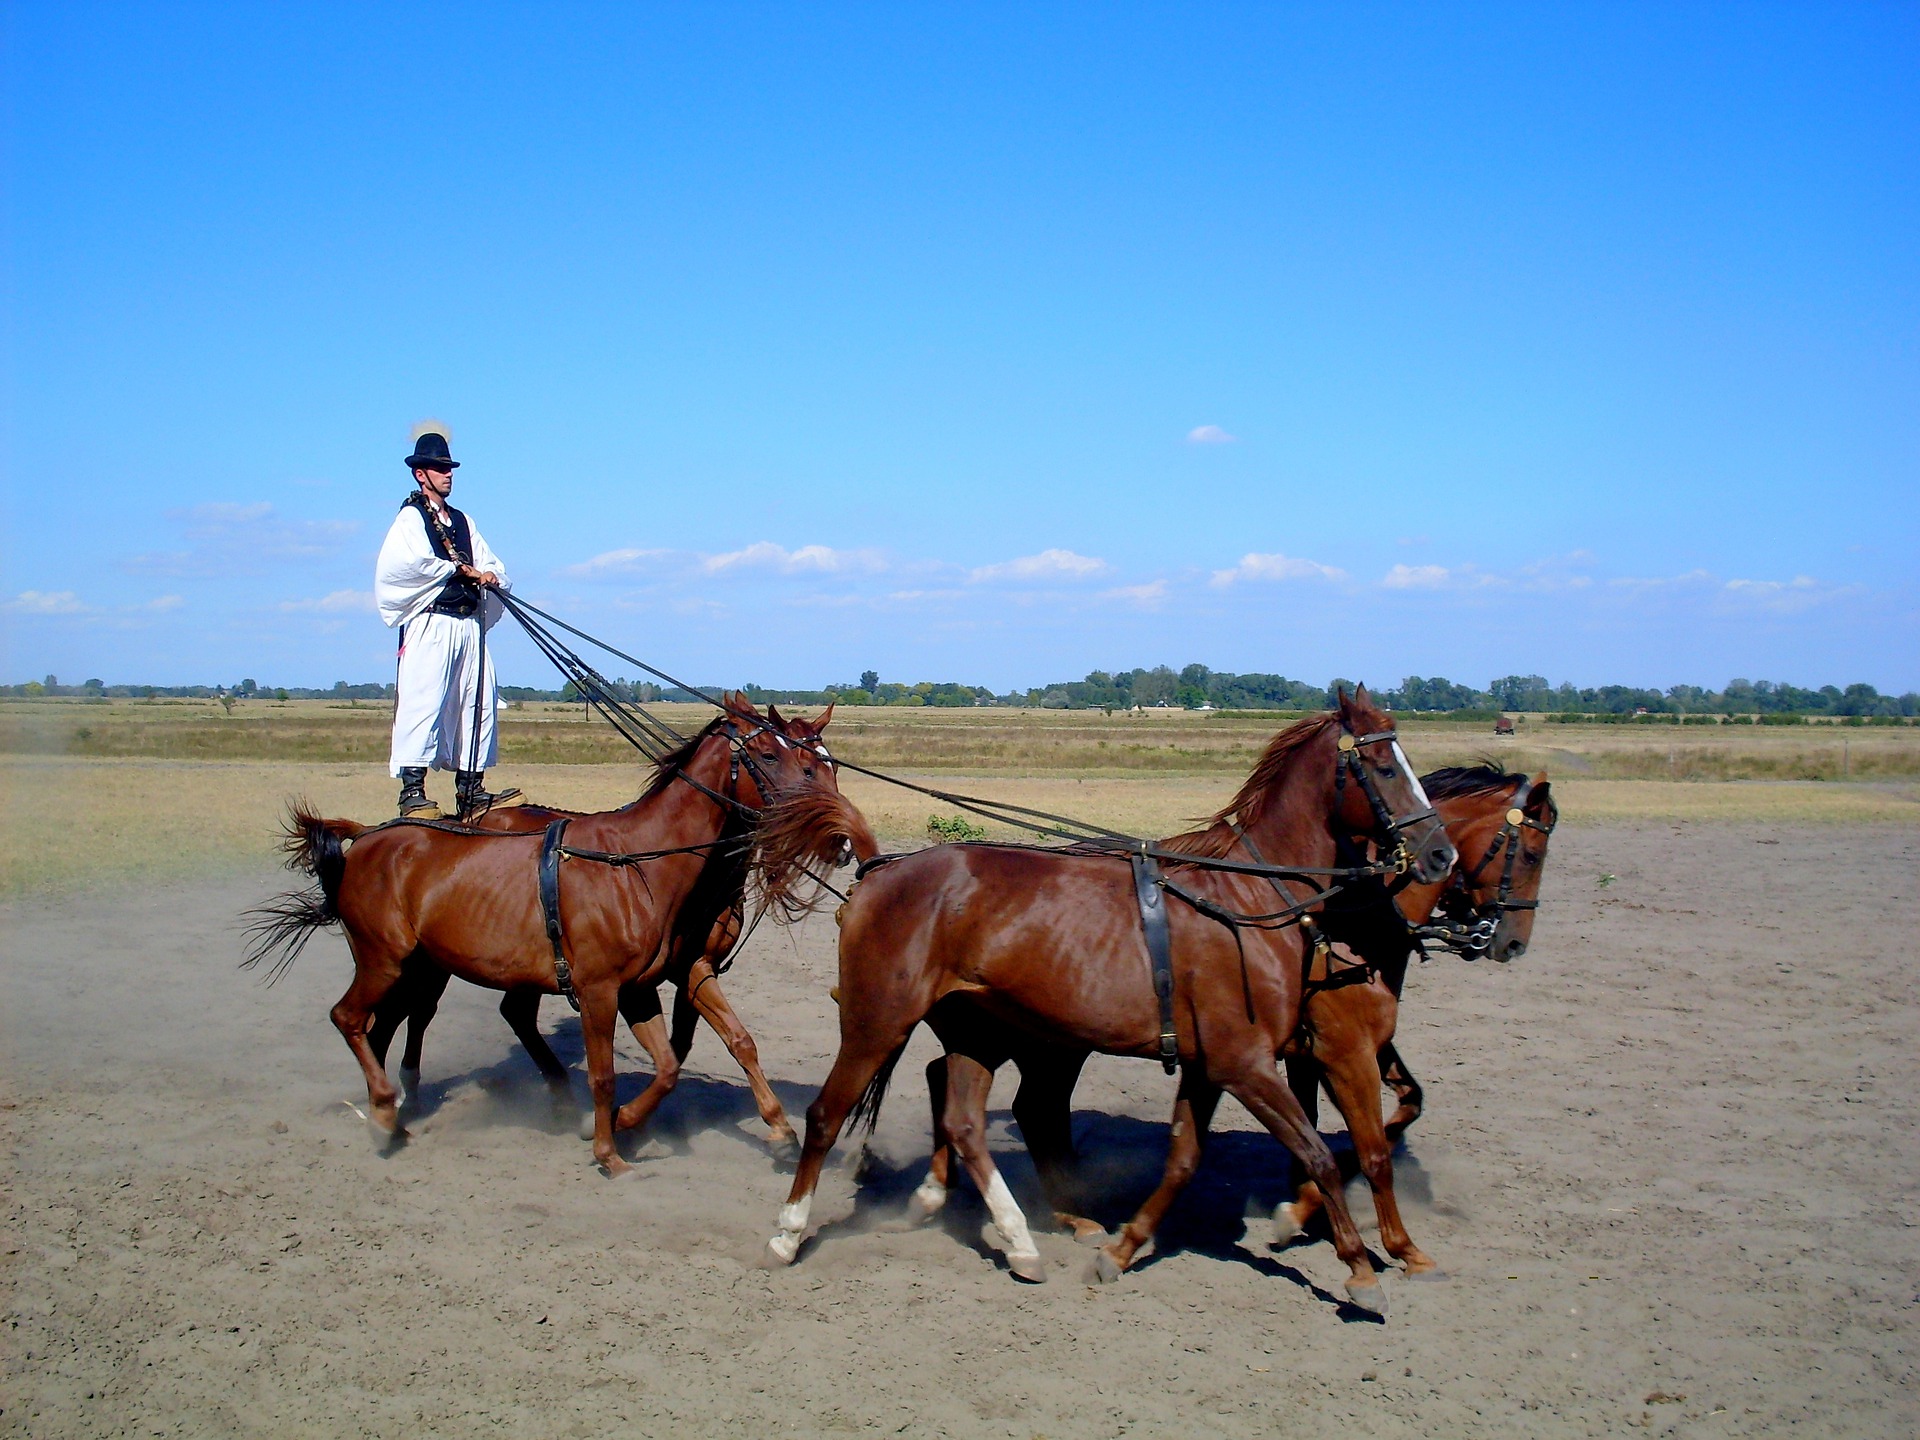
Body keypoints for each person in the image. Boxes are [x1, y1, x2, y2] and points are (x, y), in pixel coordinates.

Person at [374, 422, 521, 819]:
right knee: (424, 701)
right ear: (421, 474)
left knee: (479, 701)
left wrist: (489, 576)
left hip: (467, 624)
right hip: (433, 623)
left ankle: (471, 790)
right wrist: (460, 570)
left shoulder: (463, 521)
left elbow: (491, 562)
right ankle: (412, 792)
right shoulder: (410, 519)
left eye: (450, 468)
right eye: (441, 469)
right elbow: (406, 566)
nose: (448, 475)